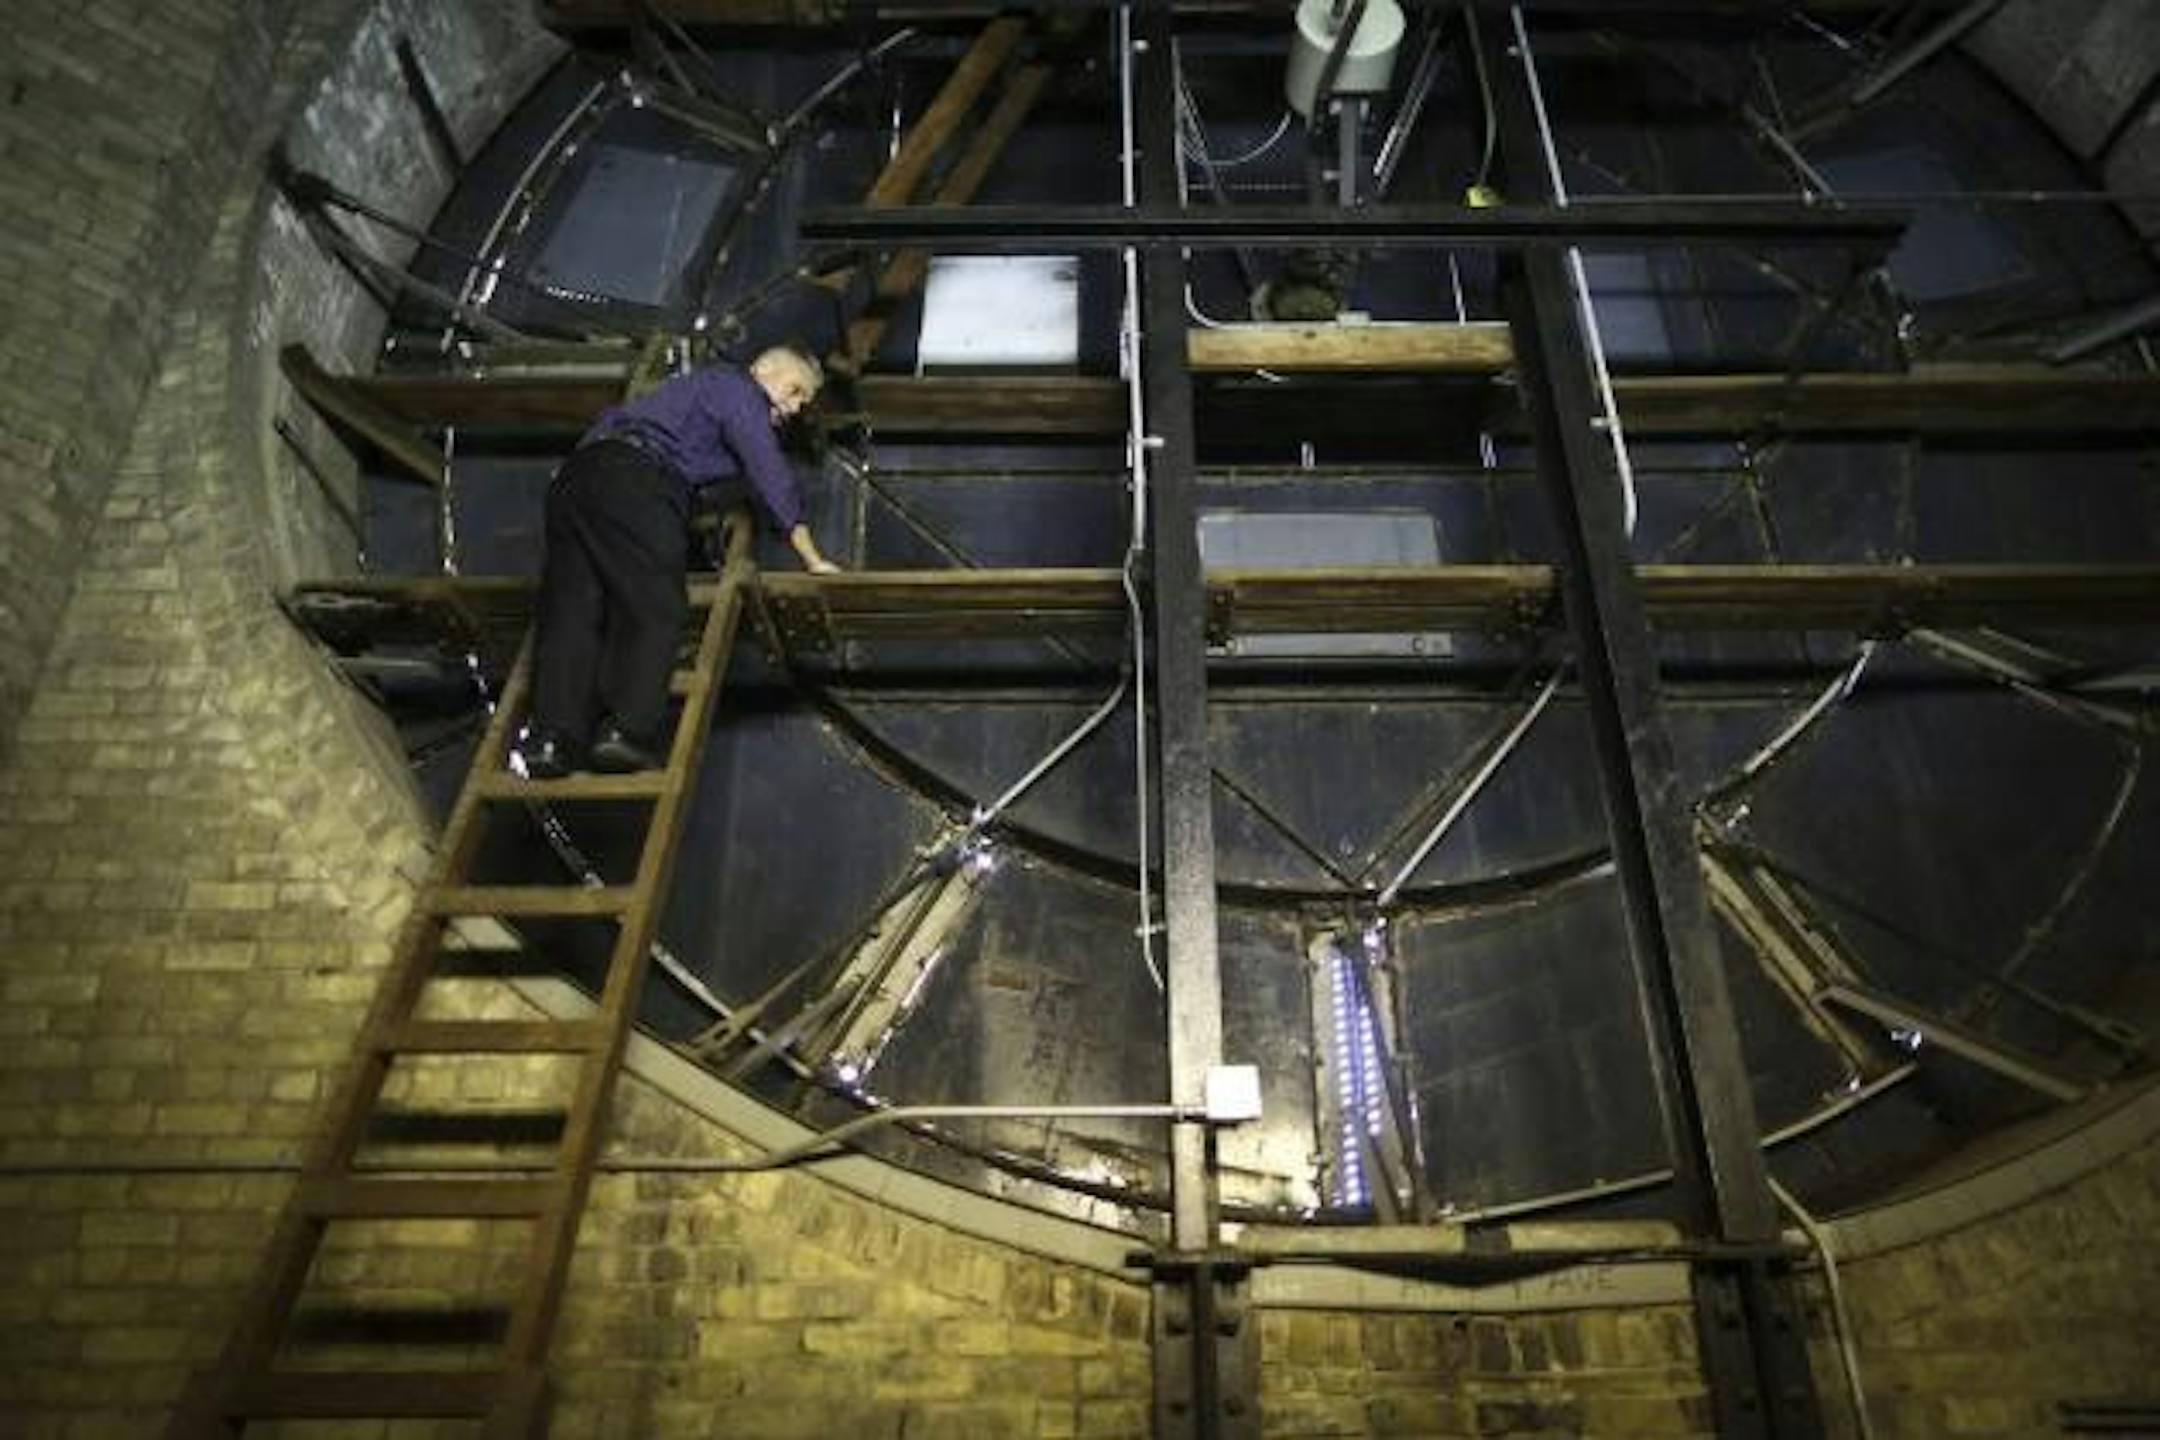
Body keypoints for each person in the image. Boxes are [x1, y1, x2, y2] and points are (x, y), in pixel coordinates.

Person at [514, 344, 839, 779]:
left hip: (576, 481)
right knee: (656, 607)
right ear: (763, 369)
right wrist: (813, 559)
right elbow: (768, 472)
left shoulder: (681, 398)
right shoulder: (736, 390)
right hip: (636, 480)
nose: (796, 407)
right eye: (796, 390)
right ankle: (625, 732)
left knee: (573, 612)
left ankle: (553, 740)